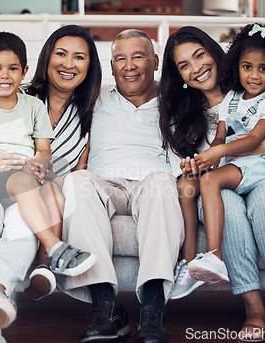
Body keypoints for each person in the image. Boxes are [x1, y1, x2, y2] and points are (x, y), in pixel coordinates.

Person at [159, 25, 265, 342]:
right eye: (183, 65)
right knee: (227, 202)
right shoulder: (184, 116)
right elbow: (183, 170)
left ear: (218, 55)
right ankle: (253, 308)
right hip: (222, 189)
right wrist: (192, 167)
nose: (196, 69)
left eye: (200, 55)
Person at [0, 24, 102, 342]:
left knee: (44, 205)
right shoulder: (19, 96)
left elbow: (70, 165)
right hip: (1, 181)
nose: (68, 63)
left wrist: (48, 176)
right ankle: (49, 253)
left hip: (41, 183)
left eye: (79, 57)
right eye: (61, 54)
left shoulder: (92, 113)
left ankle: (19, 280)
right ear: (45, 60)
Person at [60, 29, 184, 343]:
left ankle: (153, 308)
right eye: (120, 59)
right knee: (76, 181)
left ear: (155, 61)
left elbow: (226, 106)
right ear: (111, 66)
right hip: (105, 184)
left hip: (153, 183)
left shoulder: (179, 100)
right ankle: (106, 306)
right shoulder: (94, 96)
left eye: (138, 56)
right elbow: (38, 91)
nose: (128, 65)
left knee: (163, 183)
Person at [190, 22, 265, 286]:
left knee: (210, 181)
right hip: (241, 164)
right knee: (207, 178)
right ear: (236, 67)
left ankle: (214, 255)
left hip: (263, 165)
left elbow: (254, 139)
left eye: (264, 69)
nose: (254, 75)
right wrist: (211, 155)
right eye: (247, 67)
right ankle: (215, 256)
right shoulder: (231, 98)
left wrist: (221, 151)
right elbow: (221, 134)